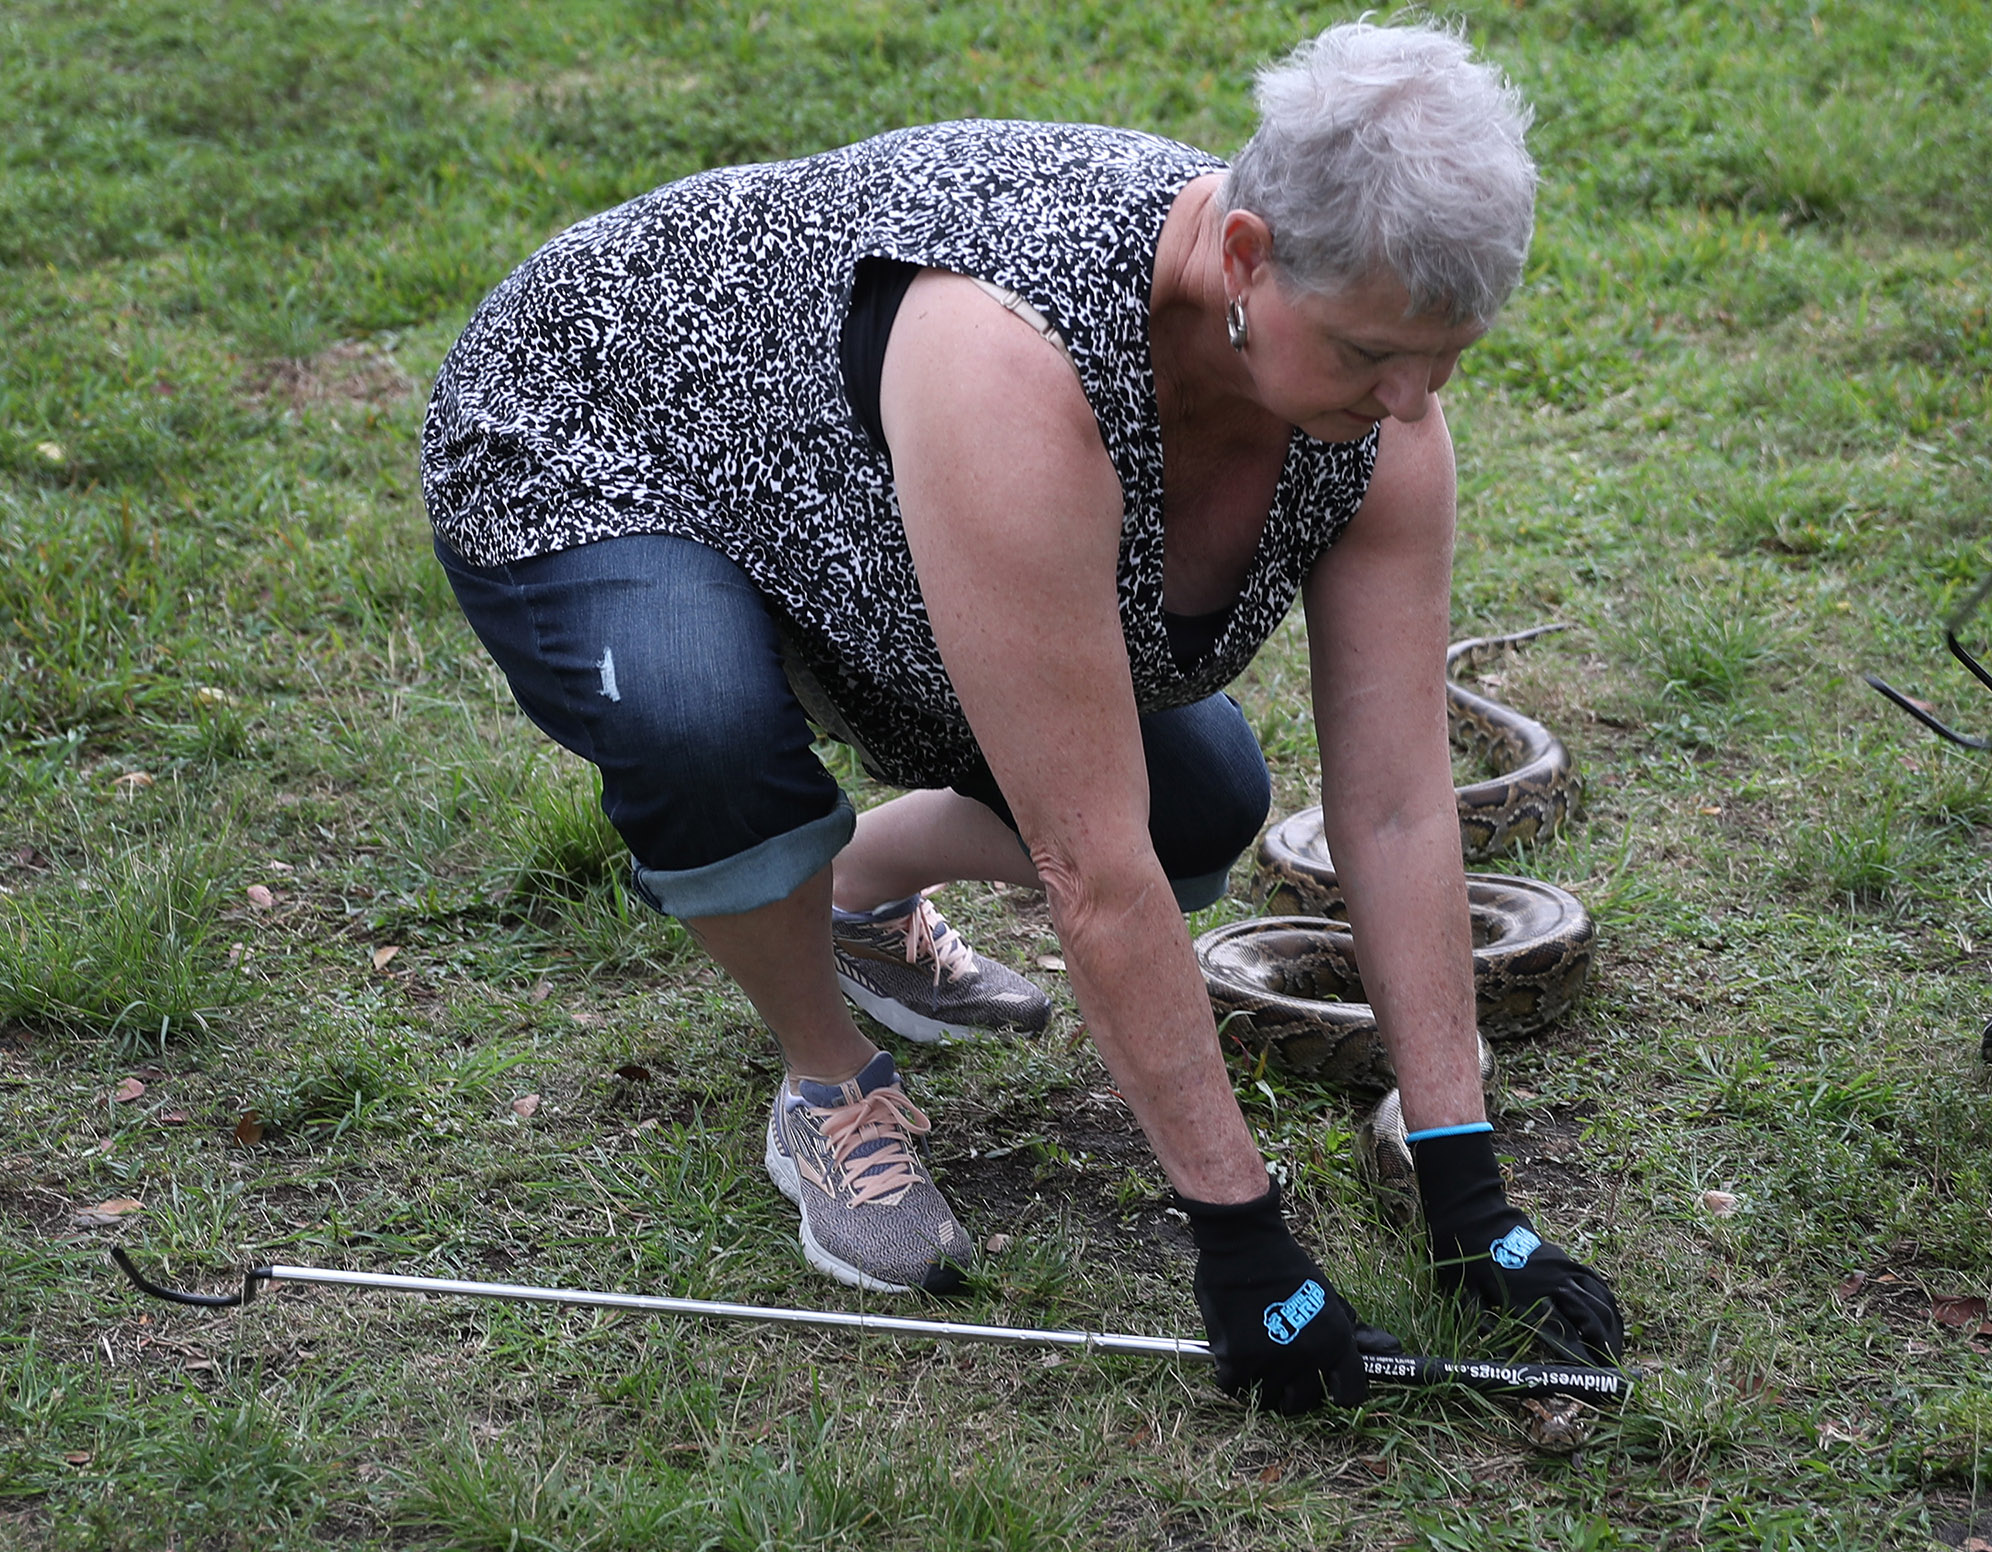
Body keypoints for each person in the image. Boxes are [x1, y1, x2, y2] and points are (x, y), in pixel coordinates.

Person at [422, 18, 1624, 1414]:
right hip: (605, 430)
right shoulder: (1014, 353)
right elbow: (1085, 867)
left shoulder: (1383, 414)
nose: (1411, 401)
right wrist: (1246, 1244)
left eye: (1445, 357)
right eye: (1370, 353)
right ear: (1245, 259)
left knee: (1203, 804)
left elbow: (1402, 804)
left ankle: (853, 891)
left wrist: (1470, 1196)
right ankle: (827, 1080)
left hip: (861, 502)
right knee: (702, 727)